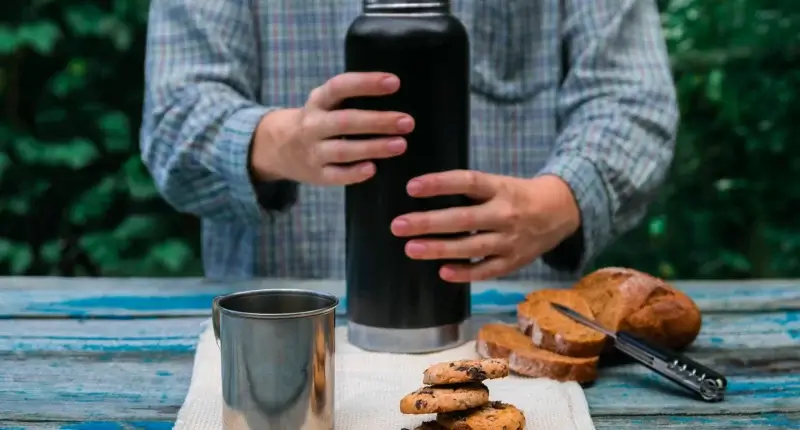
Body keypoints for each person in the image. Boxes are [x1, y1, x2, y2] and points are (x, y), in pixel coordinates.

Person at [139, 0, 678, 282]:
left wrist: (559, 201)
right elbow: (172, 118)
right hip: (281, 342)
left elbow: (631, 99)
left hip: (510, 333)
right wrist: (282, 142)